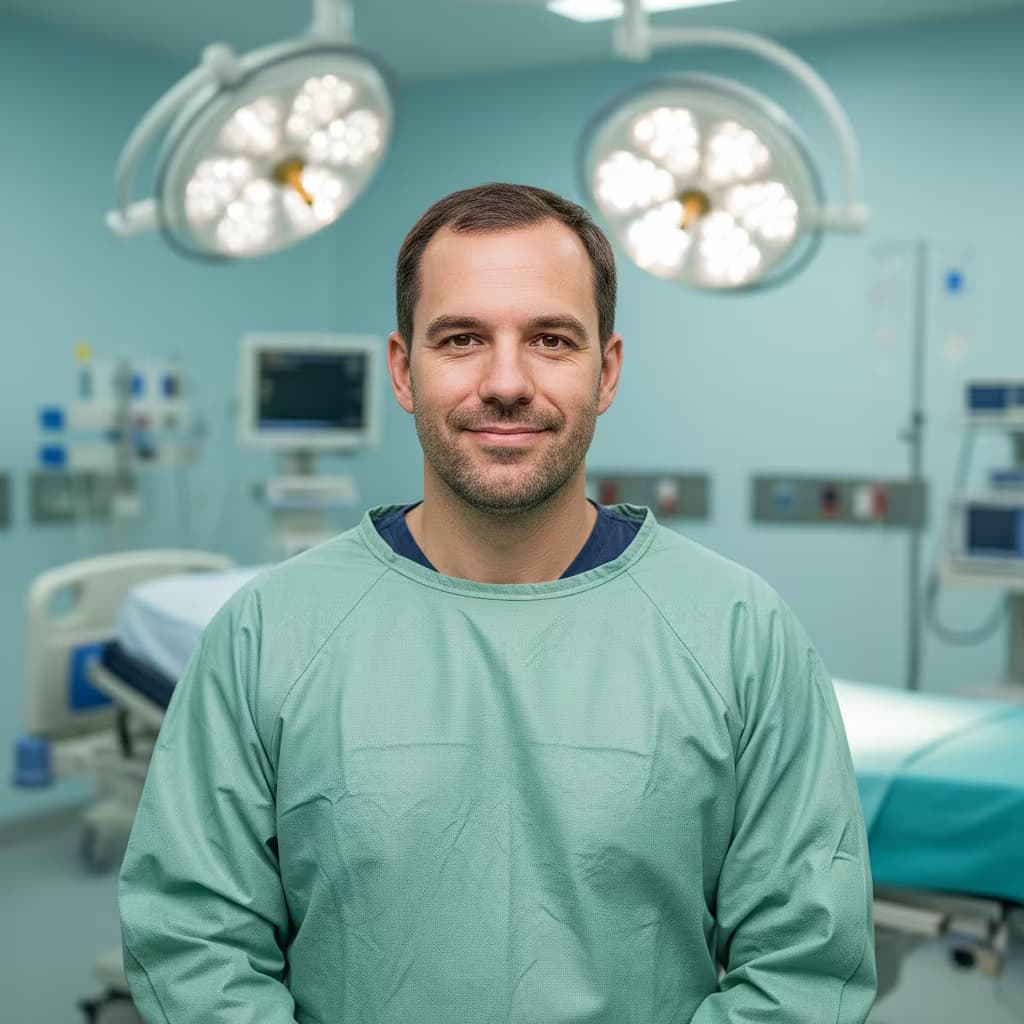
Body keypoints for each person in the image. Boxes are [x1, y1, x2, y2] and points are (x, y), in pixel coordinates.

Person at [119, 183, 876, 1023]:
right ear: (405, 370)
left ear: (607, 369)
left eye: (551, 339)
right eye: (462, 339)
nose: (506, 381)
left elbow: (804, 966)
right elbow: (193, 942)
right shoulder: (268, 634)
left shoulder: (741, 635)